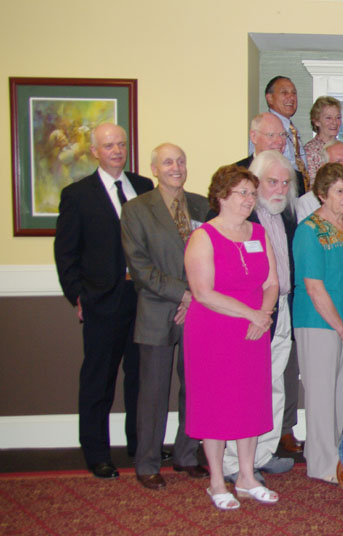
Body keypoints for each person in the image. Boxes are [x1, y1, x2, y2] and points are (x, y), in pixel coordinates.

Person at [54, 122, 153, 478]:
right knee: (99, 379)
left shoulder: (143, 188)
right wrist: (77, 296)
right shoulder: (77, 195)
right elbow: (66, 254)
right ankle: (96, 452)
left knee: (140, 378)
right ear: (95, 151)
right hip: (101, 300)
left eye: (121, 144)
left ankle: (139, 444)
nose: (116, 150)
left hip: (141, 298)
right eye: (108, 145)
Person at [184, 164, 279, 509]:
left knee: (250, 402)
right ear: (222, 195)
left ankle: (247, 476)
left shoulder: (258, 233)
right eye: (243, 193)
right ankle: (215, 481)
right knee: (217, 403)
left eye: (253, 194)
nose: (249, 200)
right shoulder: (203, 236)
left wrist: (264, 314)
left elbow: (271, 282)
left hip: (254, 331)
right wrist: (252, 313)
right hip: (214, 331)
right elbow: (203, 292)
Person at [121, 143, 209, 489]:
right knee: (154, 392)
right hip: (157, 309)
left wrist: (197, 296)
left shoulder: (202, 205)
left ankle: (187, 455)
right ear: (154, 169)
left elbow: (213, 255)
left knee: (194, 387)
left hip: (199, 312)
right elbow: (140, 268)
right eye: (168, 162)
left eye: (181, 161)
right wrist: (184, 293)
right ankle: (147, 462)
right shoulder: (136, 210)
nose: (176, 167)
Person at [222, 150, 298, 479]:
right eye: (271, 182)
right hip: (249, 314)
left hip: (281, 309)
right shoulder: (241, 217)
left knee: (274, 385)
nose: (279, 189)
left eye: (285, 182)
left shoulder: (286, 215)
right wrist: (259, 313)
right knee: (242, 388)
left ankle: (263, 453)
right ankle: (233, 464)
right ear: (255, 182)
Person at [292, 162, 343, 485]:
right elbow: (314, 287)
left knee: (339, 394)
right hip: (319, 324)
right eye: (339, 191)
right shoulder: (309, 231)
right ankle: (322, 464)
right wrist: (341, 328)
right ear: (322, 194)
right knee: (321, 395)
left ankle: (337, 455)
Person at [250, 76, 308, 182]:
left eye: (294, 93)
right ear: (270, 98)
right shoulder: (262, 128)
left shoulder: (293, 130)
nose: (291, 97)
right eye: (284, 92)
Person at [237, 113, 305, 197]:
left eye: (282, 134)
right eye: (271, 135)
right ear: (254, 137)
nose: (280, 142)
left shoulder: (295, 177)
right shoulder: (236, 174)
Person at [303, 96, 343, 181]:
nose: (334, 122)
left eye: (338, 117)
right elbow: (311, 185)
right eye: (328, 118)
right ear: (316, 121)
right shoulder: (309, 151)